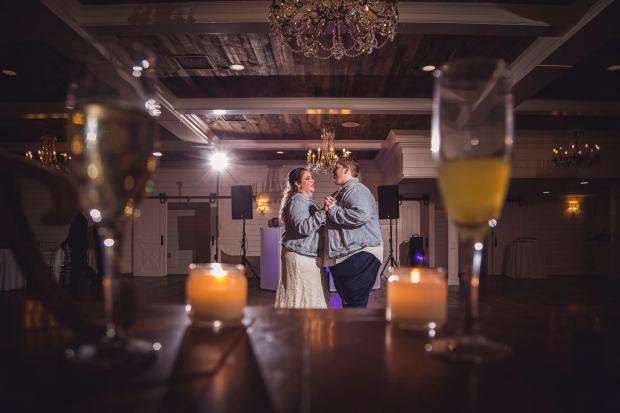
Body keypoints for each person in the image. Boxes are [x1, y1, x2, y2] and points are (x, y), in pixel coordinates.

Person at [323, 158, 383, 308]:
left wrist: (333, 209)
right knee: (350, 304)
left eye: (336, 168)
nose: (333, 171)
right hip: (349, 253)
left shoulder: (356, 189)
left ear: (346, 170)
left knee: (355, 304)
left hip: (358, 253)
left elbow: (362, 215)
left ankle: (355, 325)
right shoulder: (342, 192)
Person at [275, 167, 329, 309]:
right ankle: (299, 323)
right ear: (297, 184)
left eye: (311, 177)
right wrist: (323, 212)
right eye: (307, 178)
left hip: (306, 255)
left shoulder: (305, 200)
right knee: (302, 299)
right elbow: (303, 227)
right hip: (300, 256)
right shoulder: (298, 200)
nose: (312, 180)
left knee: (308, 298)